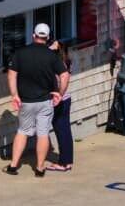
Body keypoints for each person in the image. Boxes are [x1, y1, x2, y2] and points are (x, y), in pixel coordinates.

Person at [4, 23, 69, 177]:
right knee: (43, 133)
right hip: (45, 101)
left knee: (23, 131)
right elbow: (65, 75)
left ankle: (13, 166)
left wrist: (15, 95)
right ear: (47, 38)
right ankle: (39, 168)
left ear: (33, 35)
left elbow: (11, 74)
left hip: (25, 101)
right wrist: (59, 93)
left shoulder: (20, 53)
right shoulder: (52, 56)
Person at [47, 39, 73, 172]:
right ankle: (67, 161)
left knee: (61, 131)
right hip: (66, 99)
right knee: (65, 130)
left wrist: (58, 94)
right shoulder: (65, 61)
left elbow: (61, 80)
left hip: (59, 100)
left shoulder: (56, 65)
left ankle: (63, 163)